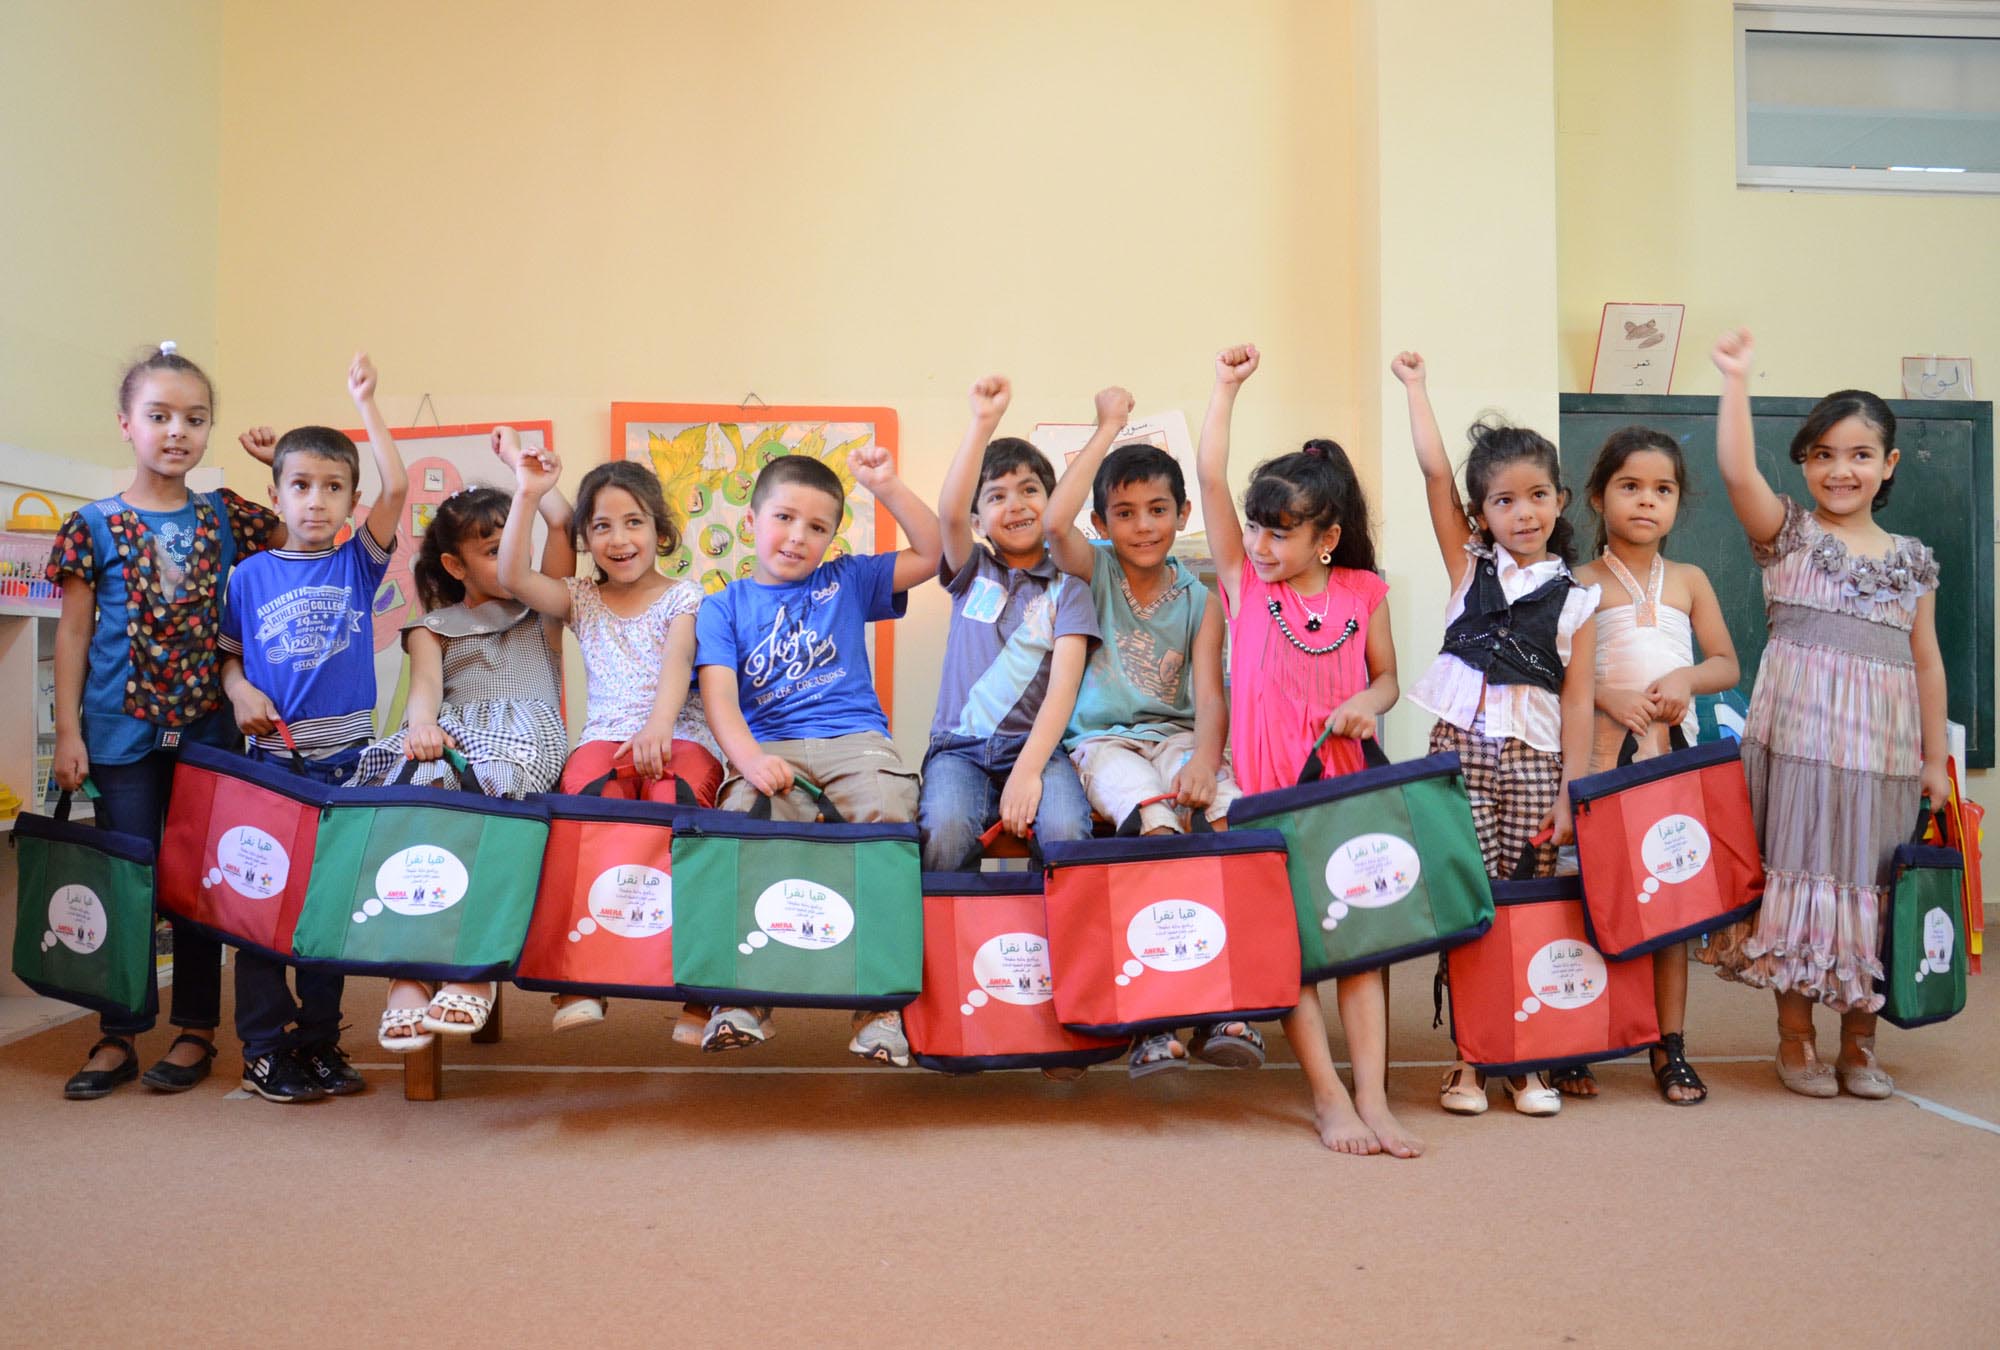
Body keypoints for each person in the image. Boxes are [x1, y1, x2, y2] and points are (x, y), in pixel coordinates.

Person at [1698, 329, 1946, 1099]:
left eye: (1860, 453)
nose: (1842, 469)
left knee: (1872, 884)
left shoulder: (1912, 559)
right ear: (1805, 463)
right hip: (1798, 742)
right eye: (1824, 454)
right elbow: (1737, 469)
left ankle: (1862, 1044)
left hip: (1885, 754)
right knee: (1802, 878)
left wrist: (1936, 759)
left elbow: (1928, 662)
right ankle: (1796, 1039)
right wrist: (1736, 380)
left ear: (1889, 464)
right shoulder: (1790, 536)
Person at [44, 343, 283, 1098]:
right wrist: (72, 732)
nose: (176, 431)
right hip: (119, 732)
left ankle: (195, 1031)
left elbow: (299, 539)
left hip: (208, 731)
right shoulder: (93, 525)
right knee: (128, 880)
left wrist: (275, 468)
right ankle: (117, 1033)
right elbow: (74, 637)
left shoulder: (226, 515)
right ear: (126, 424)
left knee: (196, 885)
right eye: (158, 416)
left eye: (194, 418)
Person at [1197, 342, 1417, 1156]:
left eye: (1281, 533)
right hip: (1266, 792)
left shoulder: (1364, 592)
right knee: (1291, 943)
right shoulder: (1243, 585)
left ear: (1327, 536)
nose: (1259, 544)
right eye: (1256, 528)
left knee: (1362, 946)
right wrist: (1225, 390)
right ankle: (1326, 1096)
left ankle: (1373, 1095)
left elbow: (1389, 678)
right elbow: (1210, 476)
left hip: (1347, 788)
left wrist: (1365, 701)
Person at [1395, 350, 1598, 1118]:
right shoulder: (1467, 568)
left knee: (1526, 903)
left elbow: (1578, 706)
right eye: (1504, 501)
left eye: (1537, 496)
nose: (1523, 512)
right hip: (1461, 754)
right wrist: (1418, 387)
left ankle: (1526, 1060)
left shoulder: (1579, 601)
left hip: (1537, 765)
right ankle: (1470, 1059)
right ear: (1482, 514)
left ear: (1560, 499)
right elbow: (1434, 477)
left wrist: (1572, 796)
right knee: (1468, 901)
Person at [693, 445, 942, 1065]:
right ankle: (744, 996)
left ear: (832, 538)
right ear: (751, 521)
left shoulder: (847, 580)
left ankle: (881, 1005)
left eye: (817, 527)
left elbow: (934, 554)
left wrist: (886, 485)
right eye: (783, 518)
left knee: (888, 815)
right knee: (743, 819)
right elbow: (720, 697)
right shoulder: (723, 606)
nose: (797, 537)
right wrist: (747, 760)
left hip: (855, 741)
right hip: (769, 747)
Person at [1045, 385, 1254, 1079]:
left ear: (1183, 514)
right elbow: (1053, 522)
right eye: (1125, 514)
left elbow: (1211, 691)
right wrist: (1105, 426)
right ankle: (1155, 1021)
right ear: (1103, 524)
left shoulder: (1200, 598)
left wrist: (1205, 758)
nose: (1143, 525)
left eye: (1158, 510)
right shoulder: (1094, 568)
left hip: (1175, 739)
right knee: (1158, 824)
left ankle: (1229, 1003)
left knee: (1231, 820)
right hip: (1105, 744)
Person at [219, 351, 409, 1102]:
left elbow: (396, 485)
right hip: (271, 766)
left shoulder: (357, 566)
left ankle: (320, 1043)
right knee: (265, 915)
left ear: (352, 500)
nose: (317, 502)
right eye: (301, 486)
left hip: (347, 763)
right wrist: (236, 693)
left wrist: (365, 402)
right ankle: (264, 1051)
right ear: (275, 494)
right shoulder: (248, 575)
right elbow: (229, 660)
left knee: (327, 914)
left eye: (334, 489)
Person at [356, 428, 575, 1050]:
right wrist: (422, 726)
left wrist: (522, 470)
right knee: (415, 795)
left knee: (491, 799)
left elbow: (563, 530)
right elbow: (425, 688)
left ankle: (474, 970)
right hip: (453, 731)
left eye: (513, 540)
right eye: (489, 548)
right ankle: (408, 971)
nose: (509, 554)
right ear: (453, 565)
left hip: (527, 736)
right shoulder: (431, 627)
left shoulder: (542, 606)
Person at [501, 447, 721, 1038]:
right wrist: (527, 492)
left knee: (674, 803)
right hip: (606, 736)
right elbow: (513, 578)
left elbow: (678, 660)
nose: (619, 538)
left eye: (633, 522)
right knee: (589, 798)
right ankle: (582, 976)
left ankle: (702, 987)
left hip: (679, 732)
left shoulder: (687, 596)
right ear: (585, 538)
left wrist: (658, 726)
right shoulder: (582, 598)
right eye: (601, 526)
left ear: (660, 531)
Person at [1564, 425, 1740, 1104]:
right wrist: (1607, 693)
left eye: (1662, 490)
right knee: (1594, 900)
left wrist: (1685, 682)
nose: (1646, 501)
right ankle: (1579, 1042)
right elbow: (1557, 673)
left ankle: (1670, 1048)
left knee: (1670, 906)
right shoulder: (1580, 582)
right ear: (1599, 496)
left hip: (1671, 766)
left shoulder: (1690, 582)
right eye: (1630, 487)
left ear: (1677, 502)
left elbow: (1725, 661)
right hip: (1602, 766)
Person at [918, 375, 1099, 872]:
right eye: (996, 497)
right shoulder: (972, 570)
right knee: (946, 826)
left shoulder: (1071, 587)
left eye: (1029, 491)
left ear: (1052, 501)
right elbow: (948, 514)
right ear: (979, 521)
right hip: (959, 749)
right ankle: (947, 946)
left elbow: (1063, 688)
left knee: (1066, 830)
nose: (1015, 504)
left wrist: (1028, 771)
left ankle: (1063, 946)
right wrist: (983, 422)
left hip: (1039, 747)